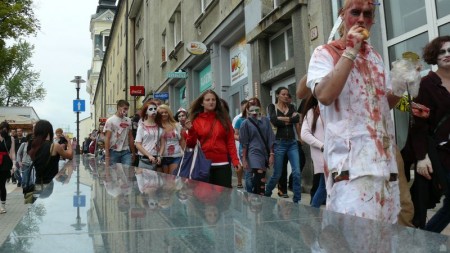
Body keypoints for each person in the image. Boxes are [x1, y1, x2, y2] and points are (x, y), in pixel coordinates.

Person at [306, 0, 402, 222]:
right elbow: (325, 95)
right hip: (349, 169)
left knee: (385, 240)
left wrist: (400, 86)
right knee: (354, 239)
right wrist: (350, 51)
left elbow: (382, 105)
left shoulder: (376, 57)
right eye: (355, 12)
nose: (361, 19)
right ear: (342, 15)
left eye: (367, 14)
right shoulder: (325, 52)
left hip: (384, 166)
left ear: (373, 20)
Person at [403, 36, 450, 232]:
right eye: (442, 51)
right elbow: (418, 125)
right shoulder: (426, 84)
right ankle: (427, 238)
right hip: (439, 155)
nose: (447, 55)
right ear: (434, 56)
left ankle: (426, 239)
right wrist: (421, 157)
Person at [185, 89, 241, 188]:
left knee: (224, 199)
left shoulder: (224, 120)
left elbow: (230, 143)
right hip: (203, 165)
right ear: (202, 103)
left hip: (222, 164)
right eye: (208, 100)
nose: (211, 102)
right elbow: (190, 144)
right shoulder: (196, 121)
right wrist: (191, 131)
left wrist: (235, 161)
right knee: (205, 199)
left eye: (213, 100)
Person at [265, 87, 302, 203]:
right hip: (279, 143)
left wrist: (284, 119)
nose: (286, 96)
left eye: (287, 94)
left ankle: (297, 200)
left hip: (292, 143)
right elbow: (274, 120)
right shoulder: (272, 107)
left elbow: (297, 119)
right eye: (283, 94)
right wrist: (290, 119)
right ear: (277, 95)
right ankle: (267, 193)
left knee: (297, 172)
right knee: (277, 174)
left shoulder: (291, 107)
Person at [239, 97, 275, 195]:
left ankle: (256, 201)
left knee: (261, 179)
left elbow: (270, 138)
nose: (254, 111)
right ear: (248, 109)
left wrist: (272, 154)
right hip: (253, 152)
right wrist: (244, 159)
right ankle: (256, 202)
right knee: (259, 177)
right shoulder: (245, 123)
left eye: (256, 107)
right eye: (251, 108)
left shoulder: (265, 121)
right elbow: (244, 144)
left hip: (264, 153)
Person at [28, 120, 73, 187]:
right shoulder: (54, 146)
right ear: (49, 131)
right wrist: (69, 141)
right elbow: (70, 155)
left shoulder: (34, 146)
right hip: (50, 185)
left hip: (38, 184)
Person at [301, 95, 326, 208]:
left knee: (325, 187)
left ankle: (314, 213)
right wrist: (322, 146)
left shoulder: (330, 109)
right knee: (324, 187)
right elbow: (304, 134)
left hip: (335, 154)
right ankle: (313, 212)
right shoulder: (312, 112)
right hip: (323, 154)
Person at [104, 100, 136, 166]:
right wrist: (107, 154)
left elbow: (130, 137)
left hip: (126, 151)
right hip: (113, 151)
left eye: (127, 109)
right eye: (125, 108)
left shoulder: (128, 120)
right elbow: (107, 138)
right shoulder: (110, 120)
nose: (126, 111)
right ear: (118, 107)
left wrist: (133, 152)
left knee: (127, 171)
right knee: (114, 173)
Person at [156, 104, 184, 174]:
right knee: (164, 181)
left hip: (176, 156)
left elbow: (182, 141)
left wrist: (185, 154)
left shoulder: (177, 125)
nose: (164, 114)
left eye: (166, 112)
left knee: (172, 179)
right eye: (161, 113)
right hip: (161, 157)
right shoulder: (156, 126)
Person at [135, 101, 163, 171]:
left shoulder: (159, 126)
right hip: (144, 159)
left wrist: (160, 156)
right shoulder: (141, 126)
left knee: (156, 181)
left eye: (155, 109)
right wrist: (149, 155)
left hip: (156, 159)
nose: (153, 110)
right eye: (150, 109)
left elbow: (163, 143)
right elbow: (138, 144)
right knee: (143, 181)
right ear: (146, 112)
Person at [0, 122, 15, 213]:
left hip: (5, 163)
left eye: (6, 128)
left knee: (2, 185)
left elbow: (12, 152)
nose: (4, 130)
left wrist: (14, 164)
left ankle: (3, 206)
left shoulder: (11, 138)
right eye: (2, 128)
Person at [232, 99, 248, 189]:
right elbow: (235, 133)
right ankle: (239, 182)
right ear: (242, 107)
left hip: (251, 146)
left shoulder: (254, 116)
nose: (247, 108)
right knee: (240, 165)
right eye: (245, 106)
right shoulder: (238, 118)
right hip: (239, 144)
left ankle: (248, 182)